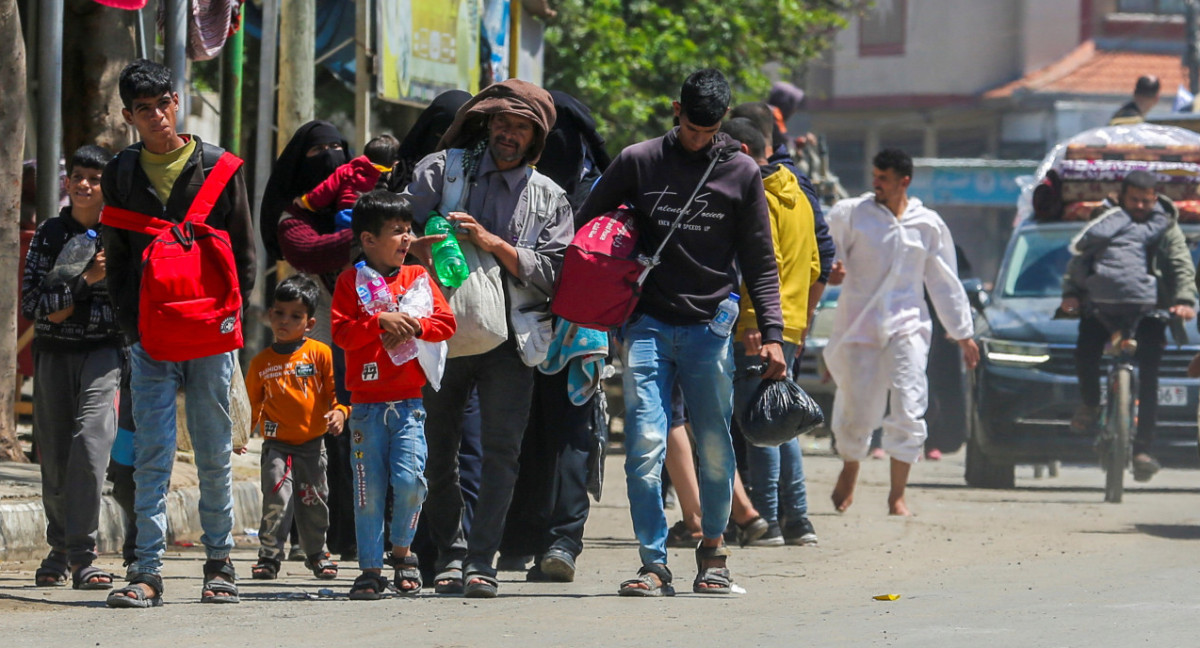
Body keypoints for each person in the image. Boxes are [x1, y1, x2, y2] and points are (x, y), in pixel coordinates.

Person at [576, 68, 787, 597]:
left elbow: (761, 261)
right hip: (646, 324)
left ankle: (712, 553)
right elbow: (588, 227)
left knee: (714, 443)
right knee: (645, 441)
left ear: (722, 121)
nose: (698, 138)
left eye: (708, 129)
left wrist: (773, 332)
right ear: (676, 110)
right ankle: (653, 563)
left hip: (709, 330)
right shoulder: (639, 160)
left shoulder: (740, 172)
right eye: (691, 126)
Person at [397, 78, 574, 598]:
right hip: (439, 334)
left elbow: (557, 274)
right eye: (502, 123)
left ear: (535, 139)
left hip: (510, 343)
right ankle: (449, 554)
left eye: (521, 128)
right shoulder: (440, 172)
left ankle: (481, 561)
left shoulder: (548, 198)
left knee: (501, 452)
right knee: (435, 449)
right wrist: (420, 248)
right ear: (487, 123)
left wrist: (493, 243)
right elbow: (393, 235)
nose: (509, 134)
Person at [102, 59, 255, 608]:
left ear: (177, 102)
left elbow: (244, 254)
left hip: (212, 334)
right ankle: (146, 571)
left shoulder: (219, 166)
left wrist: (230, 324)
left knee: (215, 450)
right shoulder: (120, 174)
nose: (158, 115)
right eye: (145, 109)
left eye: (164, 103)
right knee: (153, 452)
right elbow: (117, 258)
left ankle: (220, 563)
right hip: (151, 338)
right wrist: (133, 328)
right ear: (129, 116)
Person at [824, 148, 978, 517]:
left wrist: (963, 332)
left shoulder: (927, 224)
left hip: (908, 326)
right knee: (859, 409)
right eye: (874, 176)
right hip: (860, 324)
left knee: (910, 405)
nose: (875, 183)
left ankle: (897, 496)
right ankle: (850, 466)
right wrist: (831, 272)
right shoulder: (853, 214)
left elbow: (943, 280)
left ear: (903, 181)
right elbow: (826, 254)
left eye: (884, 178)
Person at [498, 89, 612, 582]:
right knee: (550, 436)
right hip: (538, 330)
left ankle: (552, 541)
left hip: (567, 331)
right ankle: (542, 539)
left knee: (554, 434)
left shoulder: (569, 191)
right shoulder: (540, 186)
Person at [330, 190, 456, 600]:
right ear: (368, 240)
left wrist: (418, 327)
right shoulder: (350, 282)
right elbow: (341, 333)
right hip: (365, 408)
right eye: (397, 232)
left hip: (409, 405)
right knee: (368, 492)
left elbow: (446, 323)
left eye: (408, 230)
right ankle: (370, 569)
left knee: (410, 482)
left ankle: (402, 554)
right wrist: (377, 321)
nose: (407, 239)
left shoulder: (418, 277)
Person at [21, 144, 123, 590]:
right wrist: (85, 284)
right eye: (78, 176)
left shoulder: (122, 235)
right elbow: (34, 305)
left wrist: (64, 300)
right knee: (56, 456)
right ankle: (59, 547)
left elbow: (129, 300)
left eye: (95, 179)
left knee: (90, 443)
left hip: (103, 353)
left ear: (108, 186)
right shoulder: (48, 234)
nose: (84, 185)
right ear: (68, 183)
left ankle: (84, 555)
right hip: (52, 354)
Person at [721, 117, 822, 546]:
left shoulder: (757, 192)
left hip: (761, 327)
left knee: (760, 422)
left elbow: (765, 262)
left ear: (743, 149)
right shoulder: (796, 191)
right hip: (791, 321)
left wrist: (755, 323)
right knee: (782, 418)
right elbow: (815, 263)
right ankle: (798, 519)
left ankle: (766, 521)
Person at [260, 120, 358, 561]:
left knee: (353, 434)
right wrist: (364, 236)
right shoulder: (292, 216)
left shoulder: (358, 206)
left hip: (361, 338)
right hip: (310, 339)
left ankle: (350, 535)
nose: (331, 159)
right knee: (311, 438)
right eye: (321, 152)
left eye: (339, 149)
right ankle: (305, 537)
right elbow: (311, 252)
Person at [1061, 170, 1197, 482]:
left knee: (1149, 377)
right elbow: (1080, 262)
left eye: (1146, 201)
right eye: (1134, 200)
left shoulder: (1166, 226)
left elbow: (1180, 264)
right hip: (1100, 309)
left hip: (1149, 312)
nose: (1140, 206)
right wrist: (1071, 295)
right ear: (1122, 196)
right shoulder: (1104, 221)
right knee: (1085, 351)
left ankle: (1142, 451)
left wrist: (1184, 301)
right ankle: (1091, 404)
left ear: (1155, 200)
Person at [246, 275, 349, 581]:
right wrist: (240, 436)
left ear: (309, 322)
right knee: (276, 497)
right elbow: (251, 404)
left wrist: (340, 413)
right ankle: (269, 556)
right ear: (269, 315)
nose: (284, 321)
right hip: (276, 445)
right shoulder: (261, 362)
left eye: (295, 316)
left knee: (313, 500)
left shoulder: (320, 353)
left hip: (312, 445)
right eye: (279, 313)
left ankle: (316, 553)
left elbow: (337, 395)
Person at [296, 134, 400, 229]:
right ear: (394, 162)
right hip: (379, 220)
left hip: (347, 217)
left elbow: (327, 189)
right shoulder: (392, 175)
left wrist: (306, 201)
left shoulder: (347, 169)